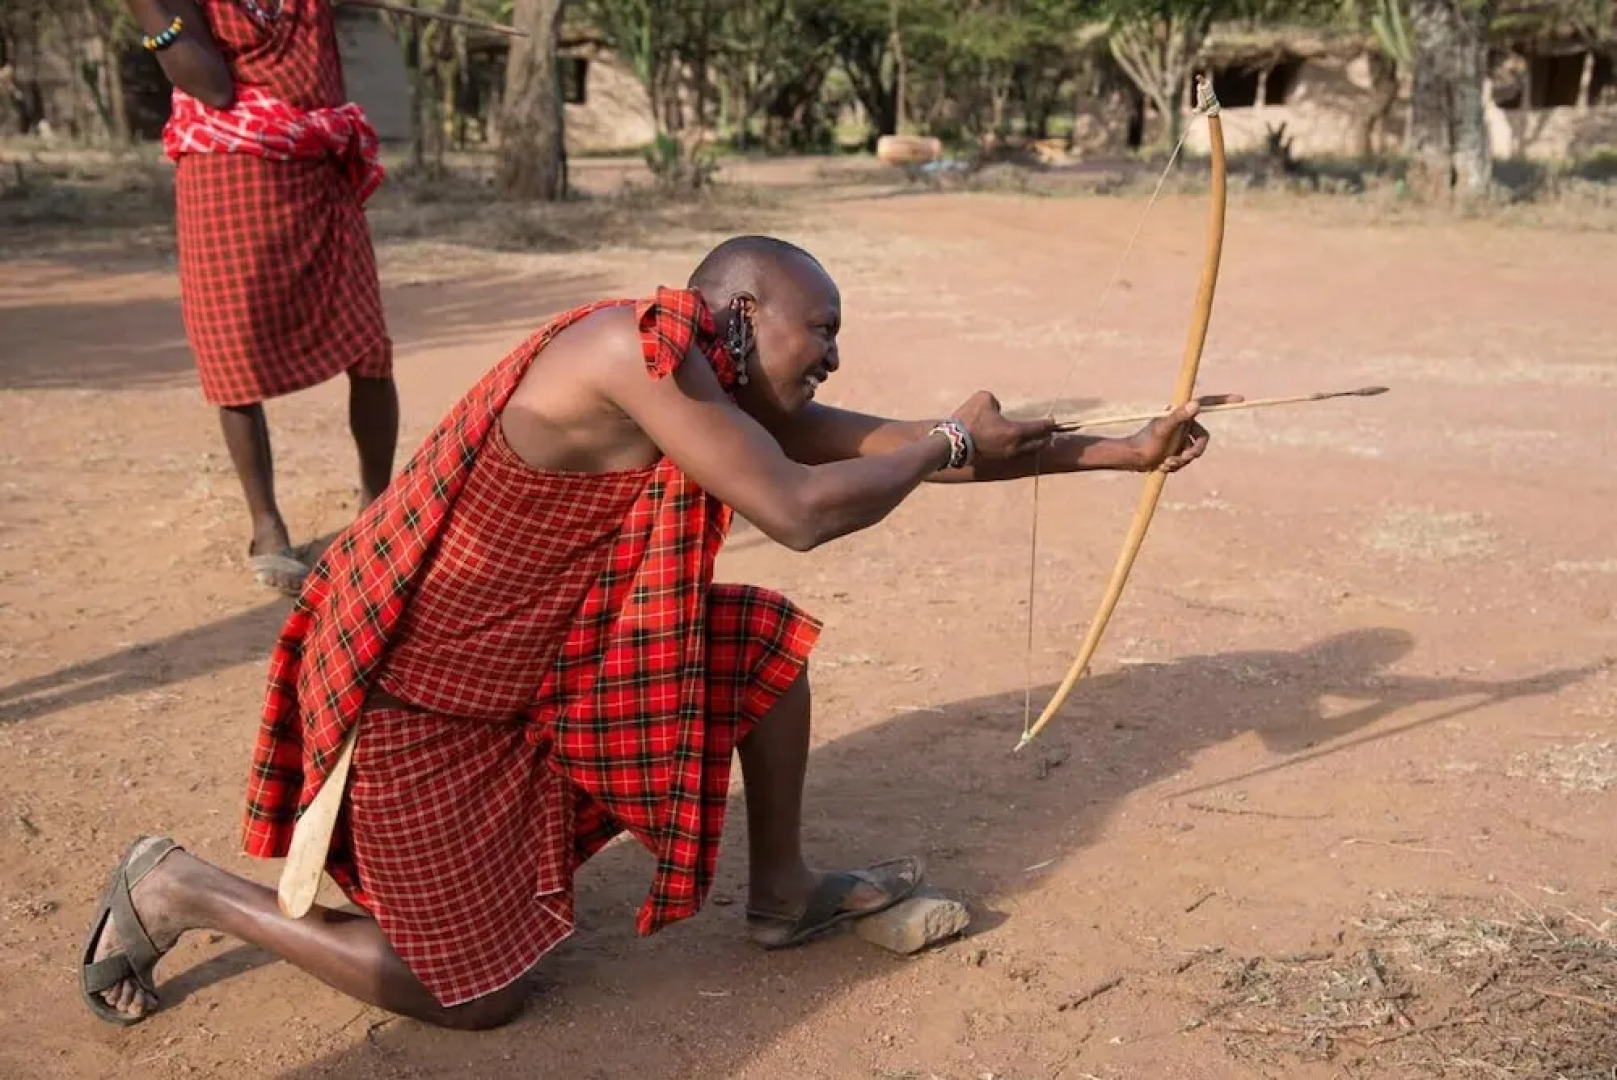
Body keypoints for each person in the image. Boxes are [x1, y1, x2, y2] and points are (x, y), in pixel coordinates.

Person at [78, 236, 1229, 1031]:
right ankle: (183, 888)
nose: (830, 358)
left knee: (754, 648)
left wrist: (1122, 452)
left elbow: (889, 443)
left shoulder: (711, 385)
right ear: (739, 316)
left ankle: (783, 895)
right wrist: (946, 444)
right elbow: (806, 506)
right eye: (818, 332)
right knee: (475, 999)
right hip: (418, 709)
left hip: (539, 679)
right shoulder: (635, 355)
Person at [125, 0, 400, 594]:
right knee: (233, 354)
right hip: (228, 176)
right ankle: (266, 525)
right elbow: (213, 88)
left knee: (370, 346)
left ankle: (378, 510)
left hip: (318, 168)